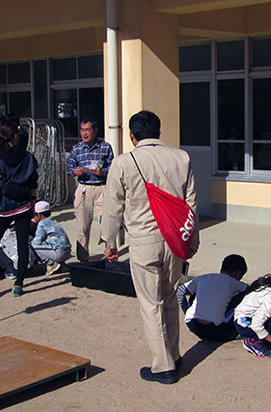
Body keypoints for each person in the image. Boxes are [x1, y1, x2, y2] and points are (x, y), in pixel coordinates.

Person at [101, 110, 199, 385]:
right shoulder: (182, 157)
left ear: (132, 135)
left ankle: (163, 366)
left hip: (144, 241)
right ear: (159, 131)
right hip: (175, 239)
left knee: (150, 304)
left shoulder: (124, 162)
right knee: (169, 298)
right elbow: (191, 203)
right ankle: (175, 355)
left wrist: (110, 242)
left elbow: (112, 207)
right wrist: (192, 240)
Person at [0, 121, 39, 298]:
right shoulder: (27, 157)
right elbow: (34, 181)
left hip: (2, 206)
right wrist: (33, 201)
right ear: (16, 137)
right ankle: (18, 284)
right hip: (23, 204)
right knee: (22, 244)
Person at [66, 118, 114, 262]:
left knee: (107, 224)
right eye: (82, 130)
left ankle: (111, 256)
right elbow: (69, 167)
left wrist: (103, 172)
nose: (84, 133)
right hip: (84, 188)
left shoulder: (105, 147)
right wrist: (75, 172)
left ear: (95, 130)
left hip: (102, 187)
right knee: (82, 226)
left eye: (87, 130)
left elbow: (113, 167)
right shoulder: (77, 148)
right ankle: (83, 259)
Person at [176, 254, 249, 342]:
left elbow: (180, 291)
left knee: (195, 293)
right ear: (238, 273)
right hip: (217, 330)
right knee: (244, 296)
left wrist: (186, 310)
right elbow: (251, 290)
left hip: (193, 324)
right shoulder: (233, 282)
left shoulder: (203, 278)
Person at [235, 272, 271, 358]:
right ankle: (253, 341)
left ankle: (263, 338)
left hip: (250, 318)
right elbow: (256, 325)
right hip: (245, 323)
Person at [30, 200, 71, 276]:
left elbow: (37, 241)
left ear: (38, 215)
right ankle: (60, 263)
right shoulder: (53, 220)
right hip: (67, 251)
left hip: (59, 253)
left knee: (32, 245)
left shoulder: (42, 224)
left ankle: (51, 263)